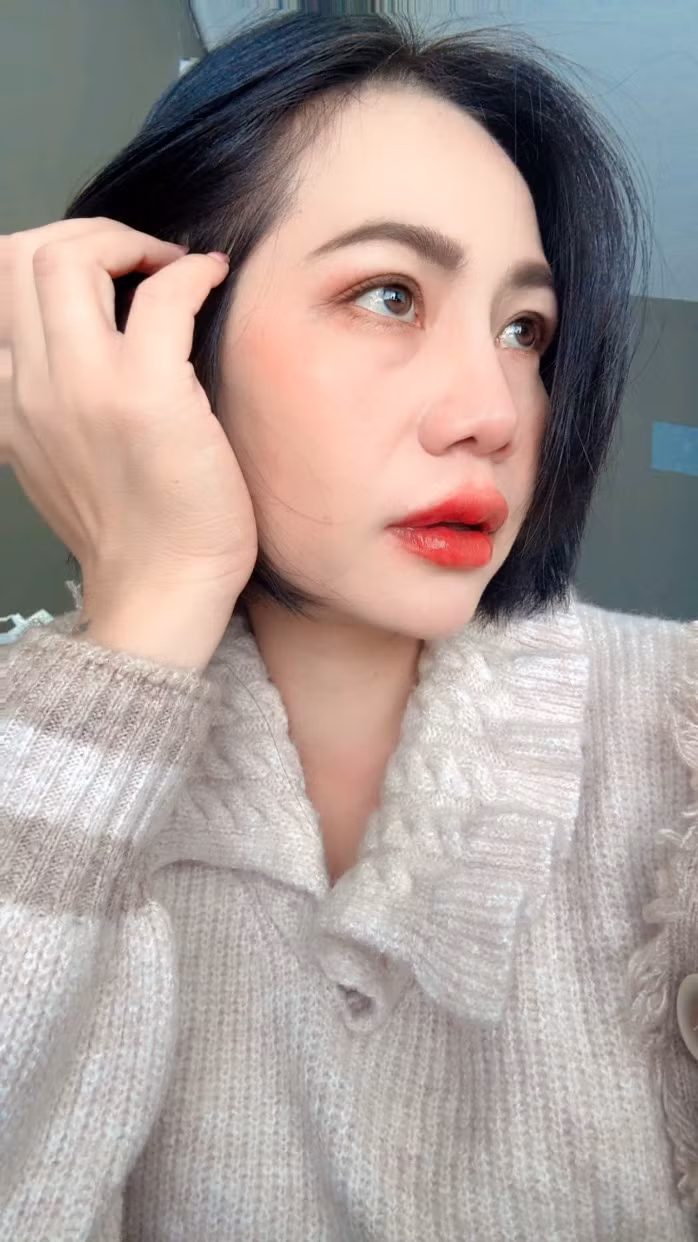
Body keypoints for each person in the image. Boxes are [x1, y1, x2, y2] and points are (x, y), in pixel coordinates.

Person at [1, 10, 696, 1240]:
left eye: (523, 330)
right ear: (165, 344)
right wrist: (149, 609)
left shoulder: (676, 741)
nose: (493, 411)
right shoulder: (31, 759)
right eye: (388, 295)